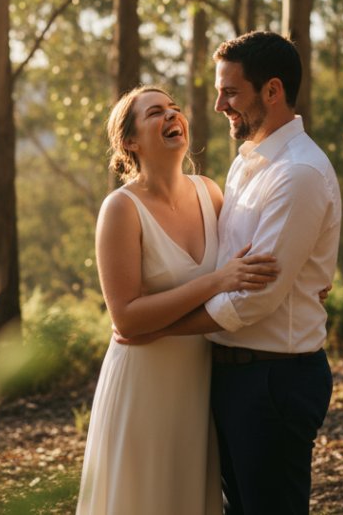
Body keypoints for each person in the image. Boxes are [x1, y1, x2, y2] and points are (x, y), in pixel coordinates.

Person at [118, 31, 341, 515]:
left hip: (272, 382)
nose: (218, 105)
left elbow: (251, 299)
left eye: (231, 92)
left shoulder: (297, 173)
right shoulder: (246, 165)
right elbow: (227, 266)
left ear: (273, 91)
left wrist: (159, 328)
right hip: (226, 380)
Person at [75, 85, 281, 515]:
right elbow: (127, 319)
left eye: (173, 108)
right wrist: (215, 281)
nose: (172, 116)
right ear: (130, 141)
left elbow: (249, 264)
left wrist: (302, 282)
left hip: (199, 385)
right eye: (155, 113)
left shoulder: (210, 192)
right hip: (142, 384)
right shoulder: (121, 209)